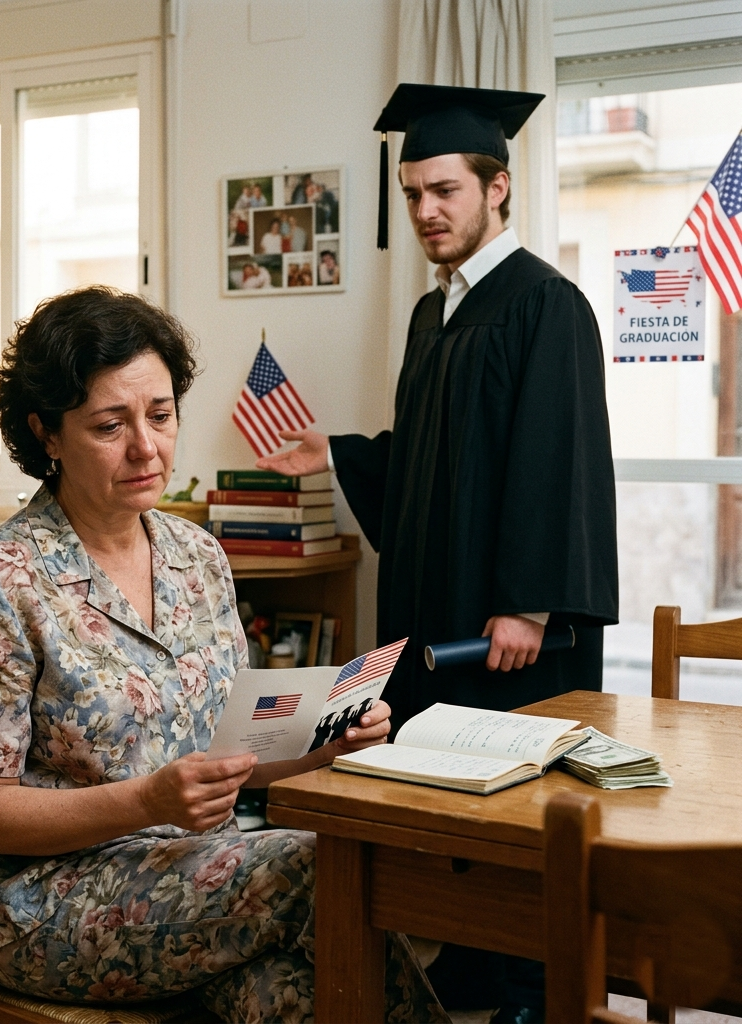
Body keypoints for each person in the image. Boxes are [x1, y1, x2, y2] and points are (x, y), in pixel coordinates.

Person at [0, 286, 447, 1023]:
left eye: (162, 415)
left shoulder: (198, 556)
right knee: (316, 866)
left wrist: (328, 744)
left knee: (298, 996)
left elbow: (234, 760)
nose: (147, 447)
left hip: (199, 879)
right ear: (47, 434)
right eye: (111, 425)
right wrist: (148, 801)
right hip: (41, 901)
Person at [257, 83, 618, 1023]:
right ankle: (471, 961)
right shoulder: (434, 314)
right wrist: (339, 453)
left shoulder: (547, 305)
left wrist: (530, 602)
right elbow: (429, 456)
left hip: (509, 627)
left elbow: (558, 458)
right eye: (414, 192)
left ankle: (534, 988)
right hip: (441, 615)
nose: (426, 210)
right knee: (448, 789)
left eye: (445, 190)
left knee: (520, 799)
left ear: (499, 188)